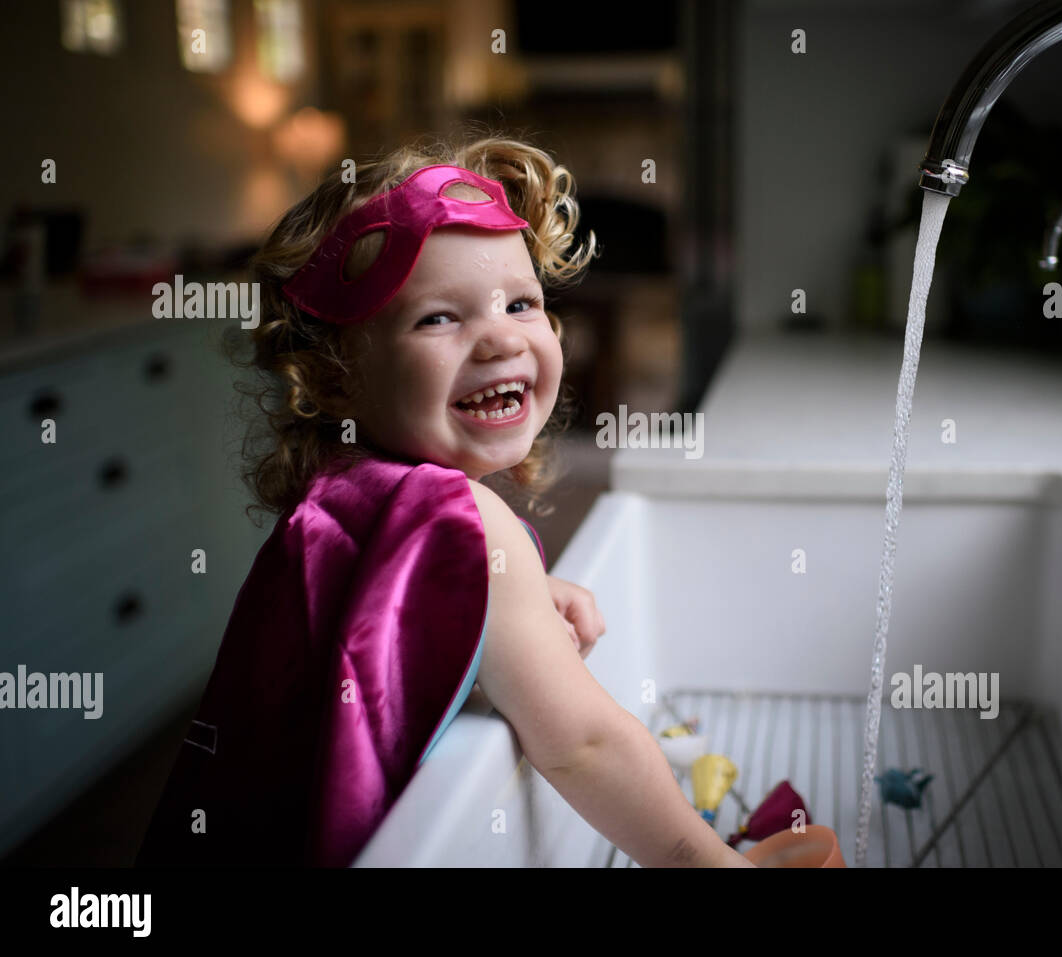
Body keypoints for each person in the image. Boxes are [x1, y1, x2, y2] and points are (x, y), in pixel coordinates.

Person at [135, 133, 754, 868]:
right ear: (338, 377)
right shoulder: (466, 522)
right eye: (439, 318)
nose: (499, 339)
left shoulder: (338, 491)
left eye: (522, 303)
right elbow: (585, 745)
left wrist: (511, 594)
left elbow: (378, 611)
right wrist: (717, 862)